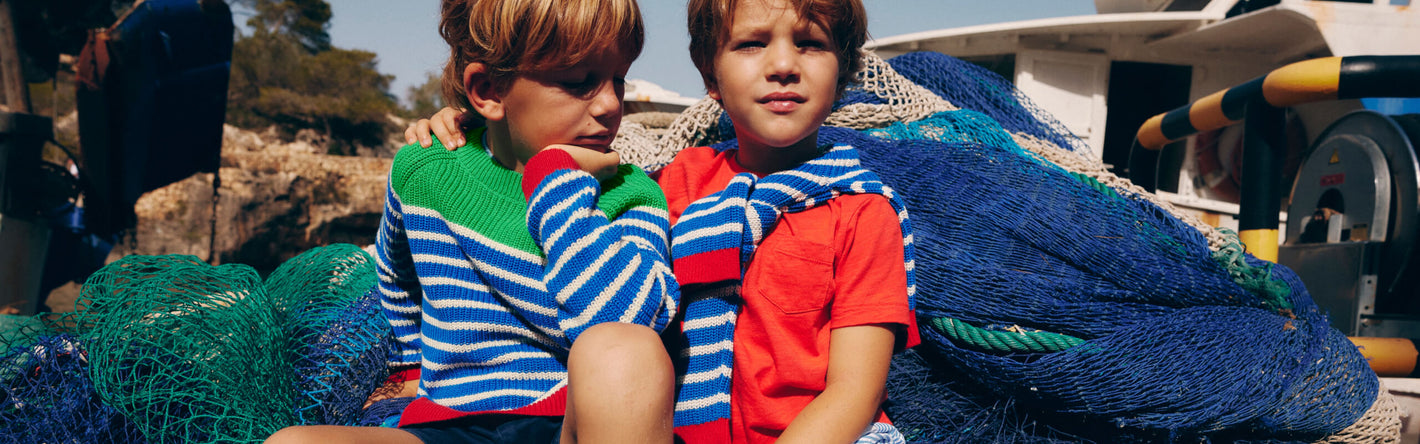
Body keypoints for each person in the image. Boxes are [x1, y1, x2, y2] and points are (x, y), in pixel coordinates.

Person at [408, 0, 918, 441]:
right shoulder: (673, 185)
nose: (783, 64)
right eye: (751, 44)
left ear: (845, 66)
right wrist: (466, 126)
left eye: (810, 43)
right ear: (708, 73)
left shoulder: (863, 211)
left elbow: (854, 391)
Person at [267, 0, 678, 443]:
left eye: (618, 80)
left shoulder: (631, 191)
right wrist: (409, 367)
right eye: (579, 82)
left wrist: (557, 181)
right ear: (488, 91)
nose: (611, 105)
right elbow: (396, 276)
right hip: (447, 424)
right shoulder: (426, 171)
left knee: (623, 351)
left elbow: (632, 323)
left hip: (571, 422)